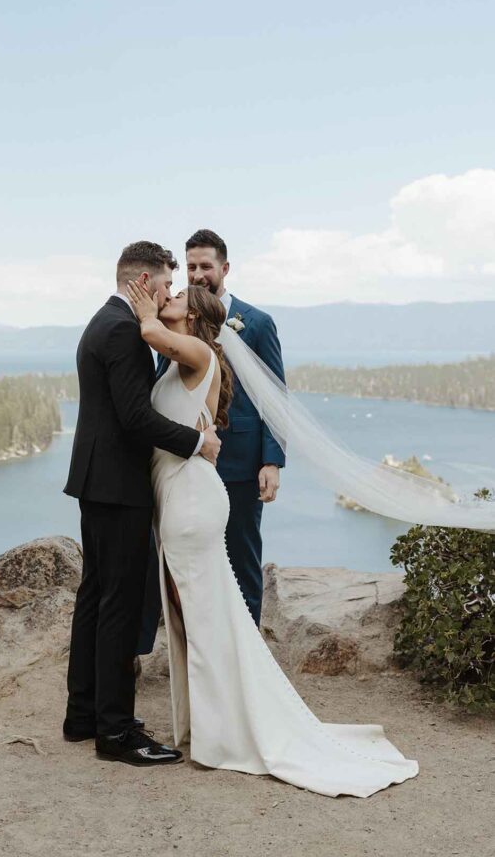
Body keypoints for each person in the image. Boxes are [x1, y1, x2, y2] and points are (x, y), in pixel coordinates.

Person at [125, 277, 419, 797]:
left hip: (191, 502)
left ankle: (224, 733)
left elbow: (150, 331)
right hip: (177, 495)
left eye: (178, 296)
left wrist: (143, 306)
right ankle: (210, 724)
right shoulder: (174, 362)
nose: (169, 297)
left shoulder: (198, 353)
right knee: (193, 617)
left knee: (204, 618)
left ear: (193, 317)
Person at [62, 241, 221, 768]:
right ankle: (115, 729)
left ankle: (83, 714)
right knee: (120, 605)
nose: (171, 292)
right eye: (168, 283)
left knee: (95, 596)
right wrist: (197, 442)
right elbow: (135, 418)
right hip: (120, 486)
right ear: (144, 282)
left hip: (97, 482)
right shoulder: (125, 330)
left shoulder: (104, 321)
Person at [137, 228, 284, 656]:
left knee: (241, 556)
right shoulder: (175, 321)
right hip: (184, 460)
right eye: (191, 267)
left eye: (206, 266)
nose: (197, 274)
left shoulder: (257, 323)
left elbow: (274, 396)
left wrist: (271, 461)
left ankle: (246, 650)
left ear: (225, 268)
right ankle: (186, 649)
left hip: (240, 462)